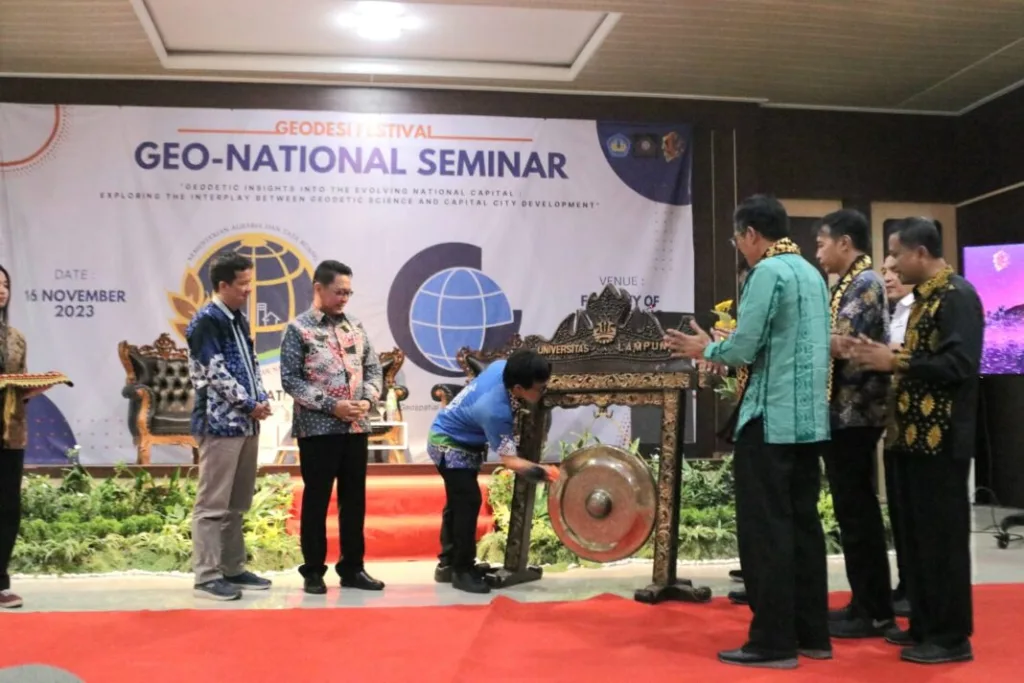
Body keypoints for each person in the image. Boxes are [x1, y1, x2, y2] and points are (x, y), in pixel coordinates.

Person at [665, 194, 832, 669]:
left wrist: (705, 348)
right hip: (809, 423)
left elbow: (743, 350)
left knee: (766, 532)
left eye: (737, 238)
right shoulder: (812, 275)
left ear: (752, 234)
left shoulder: (766, 273)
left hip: (770, 420)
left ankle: (773, 642)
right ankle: (812, 634)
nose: (738, 246)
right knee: (804, 528)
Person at [848, 218, 981, 665]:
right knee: (915, 540)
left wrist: (896, 361)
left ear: (921, 253)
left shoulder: (957, 296)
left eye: (895, 253)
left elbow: (959, 364)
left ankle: (951, 636)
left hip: (941, 440)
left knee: (942, 541)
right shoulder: (923, 298)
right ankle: (924, 624)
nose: (889, 263)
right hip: (908, 437)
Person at [280, 260, 385, 596]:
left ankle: (353, 568)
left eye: (348, 293)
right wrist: (330, 405)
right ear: (318, 288)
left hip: (355, 427)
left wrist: (367, 400)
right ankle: (313, 571)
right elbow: (290, 380)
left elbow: (374, 370)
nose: (344, 298)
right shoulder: (299, 329)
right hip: (318, 429)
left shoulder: (355, 326)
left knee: (354, 502)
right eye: (339, 292)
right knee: (317, 501)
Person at [814, 209, 894, 639]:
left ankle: (875, 611)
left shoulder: (866, 283)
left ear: (845, 242)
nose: (818, 253)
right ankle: (863, 602)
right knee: (851, 511)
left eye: (822, 243)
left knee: (858, 512)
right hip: (842, 413)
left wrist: (799, 337)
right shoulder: (846, 283)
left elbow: (842, 343)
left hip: (856, 413)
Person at [427, 349, 551, 594]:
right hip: (448, 445)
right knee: (467, 503)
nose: (543, 392)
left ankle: (448, 564)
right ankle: (462, 571)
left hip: (455, 439)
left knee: (457, 503)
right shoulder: (495, 412)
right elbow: (511, 461)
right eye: (540, 389)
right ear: (518, 388)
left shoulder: (502, 366)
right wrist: (544, 473)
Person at [186, 252, 273, 601]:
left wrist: (261, 397)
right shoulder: (206, 321)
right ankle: (207, 576)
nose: (248, 290)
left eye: (250, 283)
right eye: (242, 284)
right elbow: (215, 373)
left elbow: (252, 364)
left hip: (245, 424)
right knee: (212, 504)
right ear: (223, 285)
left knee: (237, 503)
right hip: (219, 423)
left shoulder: (238, 318)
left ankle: (233, 568)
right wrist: (250, 404)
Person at [0, 265, 51, 609]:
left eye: (5, 284)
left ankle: (0, 583)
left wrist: (34, 389)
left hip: (10, 432)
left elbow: (18, 383)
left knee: (7, 508)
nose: (2, 290)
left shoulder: (15, 337)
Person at [881, 250, 914, 618]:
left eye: (894, 269)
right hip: (893, 425)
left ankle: (917, 589)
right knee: (900, 510)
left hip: (918, 427)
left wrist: (894, 355)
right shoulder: (892, 312)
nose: (888, 277)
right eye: (885, 271)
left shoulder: (920, 309)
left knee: (916, 514)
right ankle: (905, 585)